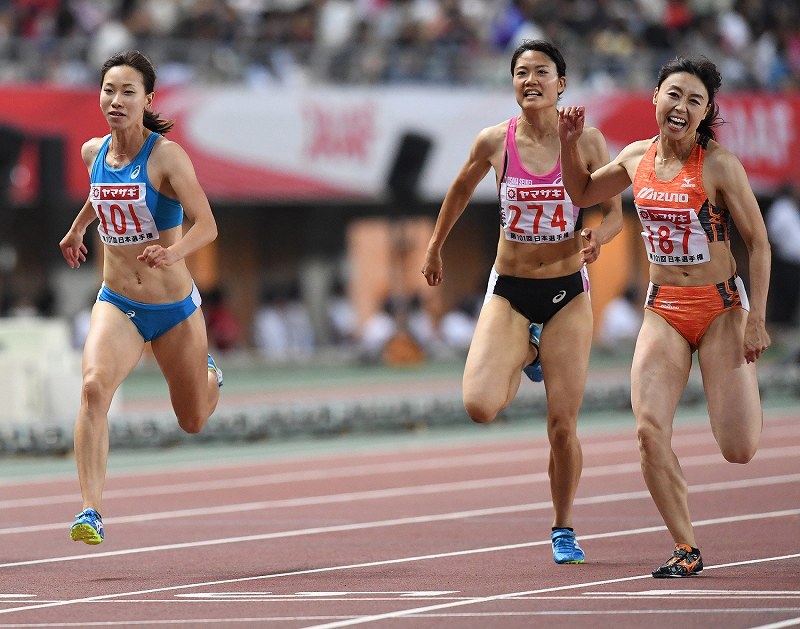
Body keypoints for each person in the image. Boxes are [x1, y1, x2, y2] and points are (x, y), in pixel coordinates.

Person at [558, 55, 771, 577]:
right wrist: (568, 145)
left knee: (740, 450)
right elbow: (582, 191)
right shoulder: (635, 158)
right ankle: (685, 546)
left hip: (721, 309)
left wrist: (756, 318)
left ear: (704, 114)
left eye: (694, 100)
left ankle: (741, 385)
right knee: (649, 430)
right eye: (674, 94)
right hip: (663, 310)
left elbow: (759, 245)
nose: (681, 106)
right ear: (656, 98)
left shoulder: (719, 166)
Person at [421, 39, 623, 565]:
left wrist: (597, 237)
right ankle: (529, 354)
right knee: (480, 405)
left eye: (542, 71)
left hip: (566, 294)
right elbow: (459, 191)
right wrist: (435, 245)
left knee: (562, 426)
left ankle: (563, 527)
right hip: (510, 289)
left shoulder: (589, 141)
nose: (530, 79)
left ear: (562, 83)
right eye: (521, 72)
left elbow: (616, 215)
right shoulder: (494, 141)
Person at [58, 50, 223, 545]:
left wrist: (174, 256)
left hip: (173, 309)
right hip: (118, 303)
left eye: (128, 92)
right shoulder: (94, 152)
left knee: (192, 419)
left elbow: (208, 226)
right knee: (92, 389)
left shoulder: (167, 157)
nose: (116, 100)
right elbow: (100, 191)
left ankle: (210, 375)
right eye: (109, 90)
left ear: (147, 99)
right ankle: (91, 511)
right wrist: (77, 229)